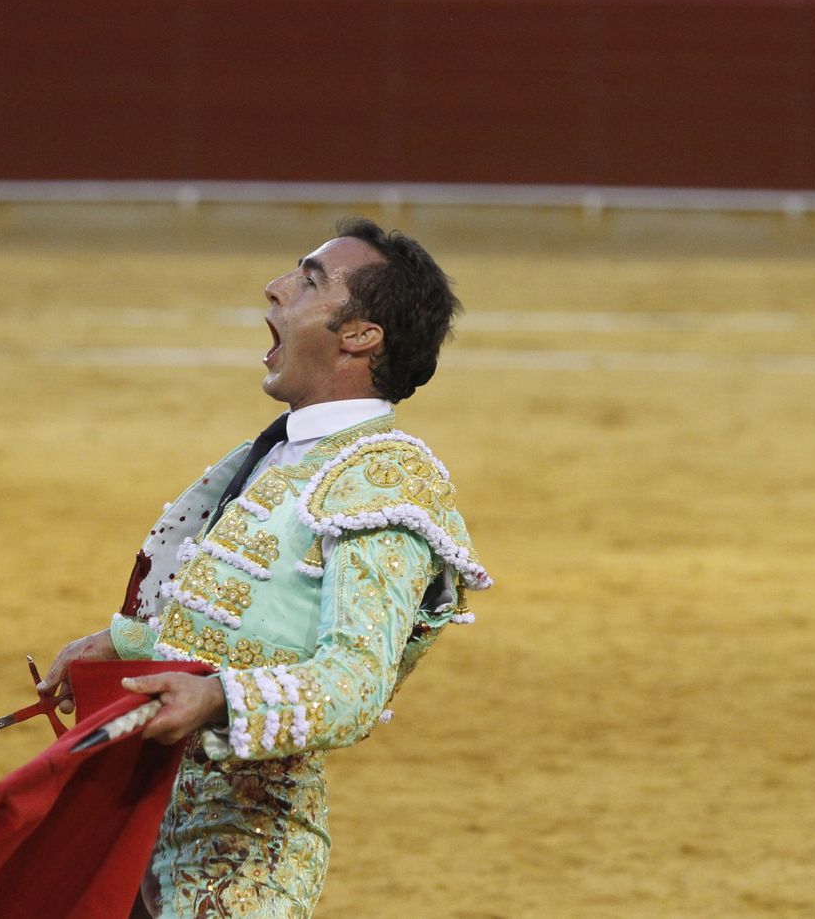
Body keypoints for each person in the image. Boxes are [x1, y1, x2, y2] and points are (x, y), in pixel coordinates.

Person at [38, 218, 490, 918]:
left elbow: (354, 682)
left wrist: (216, 698)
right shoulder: (277, 454)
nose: (276, 289)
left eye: (309, 280)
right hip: (142, 818)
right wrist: (121, 647)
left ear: (361, 334)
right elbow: (243, 626)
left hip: (241, 855)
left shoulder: (385, 482)